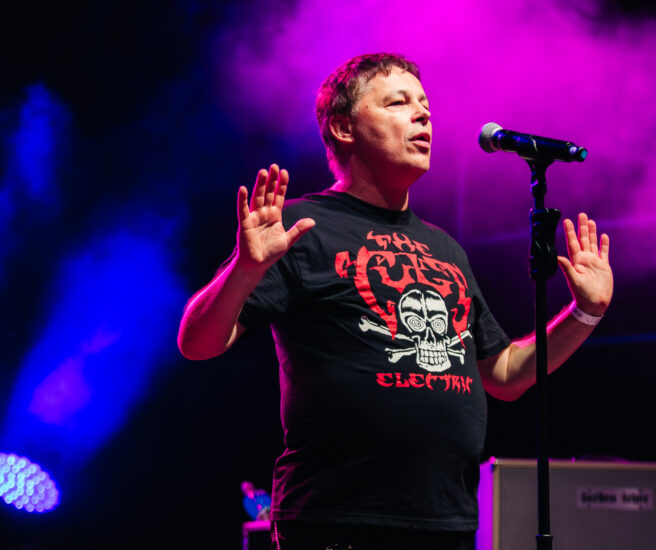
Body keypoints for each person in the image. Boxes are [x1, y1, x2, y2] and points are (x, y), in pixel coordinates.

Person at [177, 53, 613, 550]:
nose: (423, 114)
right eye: (398, 103)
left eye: (424, 105)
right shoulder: (300, 226)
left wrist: (585, 313)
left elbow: (506, 374)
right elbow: (197, 342)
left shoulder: (445, 248)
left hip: (445, 522)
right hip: (339, 522)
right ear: (343, 127)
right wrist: (244, 268)